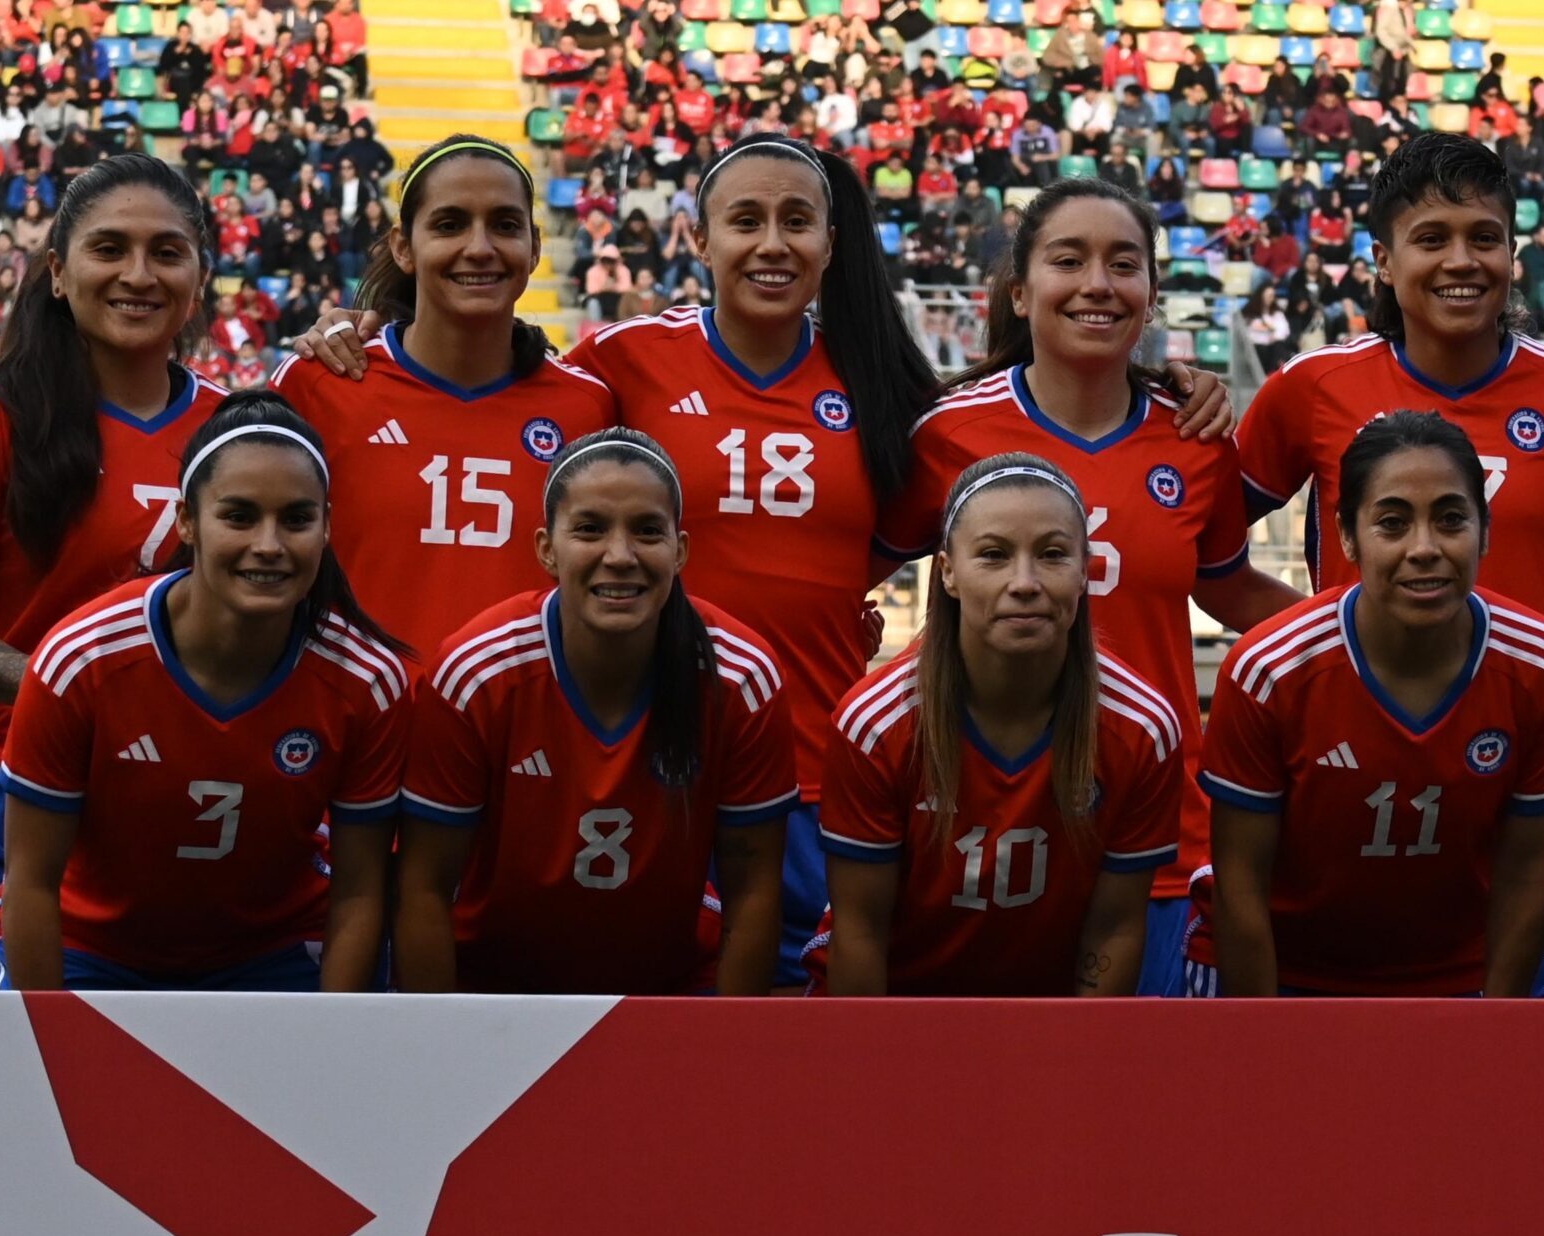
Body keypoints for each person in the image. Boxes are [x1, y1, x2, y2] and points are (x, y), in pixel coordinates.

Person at [298, 134, 1228, 990]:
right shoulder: (615, 367)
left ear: (831, 241)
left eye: (796, 221)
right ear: (697, 239)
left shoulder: (882, 385)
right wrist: (357, 329)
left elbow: (918, 533)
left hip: (820, 771)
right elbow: (484, 367)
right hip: (648, 770)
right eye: (745, 220)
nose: (772, 243)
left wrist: (1165, 384)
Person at [1238, 134, 1544, 995]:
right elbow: (1198, 551)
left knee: (1521, 1081)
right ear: (1382, 262)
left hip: (1528, 800)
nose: (1460, 261)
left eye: (1482, 236)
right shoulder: (1310, 388)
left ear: (1512, 250)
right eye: (1431, 239)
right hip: (1352, 797)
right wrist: (1304, 644)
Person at [911, 180, 1303, 995]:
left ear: (1151, 296)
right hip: (982, 829)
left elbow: (1230, 592)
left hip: (1155, 826)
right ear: (1019, 291)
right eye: (1068, 260)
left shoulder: (1195, 439)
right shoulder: (948, 432)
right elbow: (849, 575)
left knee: (1148, 1104)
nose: (1097, 282)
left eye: (1122, 264)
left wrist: (1360, 630)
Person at [0, 153, 225, 989]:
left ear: (200, 275)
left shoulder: (232, 430)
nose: (137, 274)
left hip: (176, 794)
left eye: (167, 251)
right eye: (109, 248)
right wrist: (83, 697)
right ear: (57, 272)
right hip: (8, 785)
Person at [0, 391, 409, 992]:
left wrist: (327, 1040)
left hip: (274, 953)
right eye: (238, 516)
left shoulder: (366, 680)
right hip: (91, 946)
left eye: (296, 519)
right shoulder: (80, 660)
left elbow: (359, 892)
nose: (268, 544)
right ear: (186, 520)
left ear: (326, 527)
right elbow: (30, 881)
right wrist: (54, 1044)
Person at [1199, 412, 1544, 997]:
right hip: (1284, 974)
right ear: (1346, 536)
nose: (1424, 548)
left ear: (1485, 530)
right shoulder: (1269, 672)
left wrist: (1494, 1025)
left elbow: (1528, 872)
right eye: (1392, 523)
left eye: (1452, 519)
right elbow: (1240, 886)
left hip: (1456, 981)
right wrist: (1270, 1043)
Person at [394, 429, 796, 994]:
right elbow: (424, 888)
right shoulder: (477, 675)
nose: (620, 555)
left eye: (647, 531)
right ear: (545, 549)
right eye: (589, 529)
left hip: (670, 990)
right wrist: (439, 1050)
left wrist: (721, 1055)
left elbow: (752, 890)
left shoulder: (742, 679)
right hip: (492, 992)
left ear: (680, 550)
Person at [814, 455, 1181, 995]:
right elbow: (861, 934)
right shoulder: (876, 726)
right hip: (899, 1005)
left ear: (1087, 570)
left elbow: (1113, 930)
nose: (1025, 582)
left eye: (1053, 555)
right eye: (993, 556)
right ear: (948, 572)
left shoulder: (1142, 728)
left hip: (1048, 1014)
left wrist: (1070, 1065)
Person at [271, 136, 617, 660]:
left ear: (535, 246)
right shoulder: (321, 381)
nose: (479, 247)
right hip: (357, 729)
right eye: (450, 224)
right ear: (403, 246)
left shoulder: (588, 406)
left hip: (517, 730)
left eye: (504, 225)